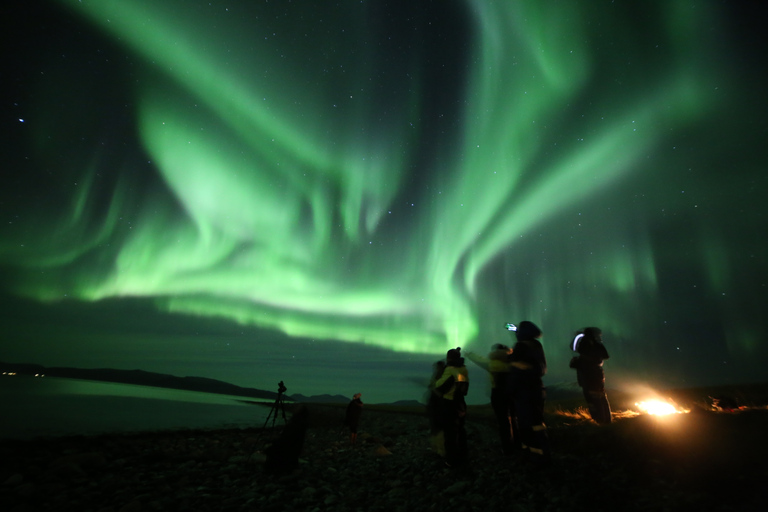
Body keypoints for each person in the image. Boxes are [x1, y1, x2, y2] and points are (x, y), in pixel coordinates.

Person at [507, 320, 550, 466]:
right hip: (537, 389)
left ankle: (535, 455)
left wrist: (511, 390)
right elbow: (540, 369)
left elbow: (515, 369)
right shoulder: (536, 345)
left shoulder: (520, 346)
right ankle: (541, 452)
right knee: (537, 421)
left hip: (524, 391)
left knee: (527, 423)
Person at [466, 344, 519, 456]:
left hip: (498, 393)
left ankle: (507, 448)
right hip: (513, 393)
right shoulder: (513, 362)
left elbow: (480, 360)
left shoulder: (492, 363)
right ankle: (518, 444)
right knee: (514, 418)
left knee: (503, 421)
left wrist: (469, 354)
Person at [434, 347, 470, 468]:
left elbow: (439, 386)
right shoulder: (463, 368)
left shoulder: (450, 369)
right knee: (460, 429)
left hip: (450, 403)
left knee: (450, 432)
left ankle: (451, 459)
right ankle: (463, 455)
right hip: (460, 403)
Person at [570, 327, 612, 424]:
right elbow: (606, 356)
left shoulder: (583, 343)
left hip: (586, 374)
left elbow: (573, 347)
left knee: (591, 398)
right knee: (601, 396)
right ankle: (607, 420)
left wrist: (579, 335)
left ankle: (598, 420)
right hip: (598, 373)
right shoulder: (597, 344)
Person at [426, 360, 447, 456]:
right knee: (437, 425)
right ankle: (439, 448)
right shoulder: (440, 375)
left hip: (437, 404)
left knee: (438, 426)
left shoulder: (441, 376)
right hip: (436, 404)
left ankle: (440, 448)